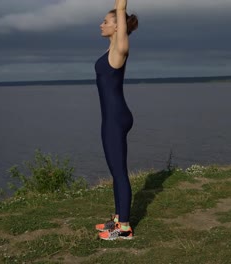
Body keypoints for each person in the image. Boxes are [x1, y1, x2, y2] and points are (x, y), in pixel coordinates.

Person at [94, 0, 138, 240]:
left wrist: (120, 7)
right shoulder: (110, 50)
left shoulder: (120, 48)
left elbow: (120, 9)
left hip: (115, 119)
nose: (101, 24)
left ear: (117, 27)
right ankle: (118, 217)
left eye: (105, 21)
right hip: (112, 116)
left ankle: (124, 228)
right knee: (115, 170)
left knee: (119, 172)